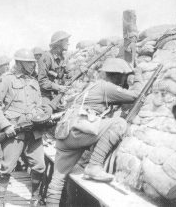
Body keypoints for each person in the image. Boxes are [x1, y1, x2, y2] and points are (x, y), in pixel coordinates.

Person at [46, 58, 143, 207]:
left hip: (65, 134)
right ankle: (94, 166)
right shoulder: (106, 87)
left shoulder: (93, 86)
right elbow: (135, 95)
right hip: (79, 131)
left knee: (57, 180)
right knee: (119, 123)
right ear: (119, 76)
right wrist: (137, 76)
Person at [0, 48, 50, 207]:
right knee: (7, 168)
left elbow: (38, 105)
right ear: (20, 63)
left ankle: (34, 199)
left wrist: (43, 114)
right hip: (15, 130)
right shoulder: (7, 80)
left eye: (33, 63)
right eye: (29, 63)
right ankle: (0, 200)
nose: (33, 65)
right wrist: (6, 125)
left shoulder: (34, 81)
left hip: (33, 130)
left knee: (40, 166)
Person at [38, 31, 71, 109]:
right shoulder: (46, 57)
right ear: (59, 42)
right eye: (66, 41)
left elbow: (67, 75)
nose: (68, 43)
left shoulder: (62, 58)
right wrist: (59, 87)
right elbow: (42, 81)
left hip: (57, 95)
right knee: (46, 114)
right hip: (46, 96)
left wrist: (80, 70)